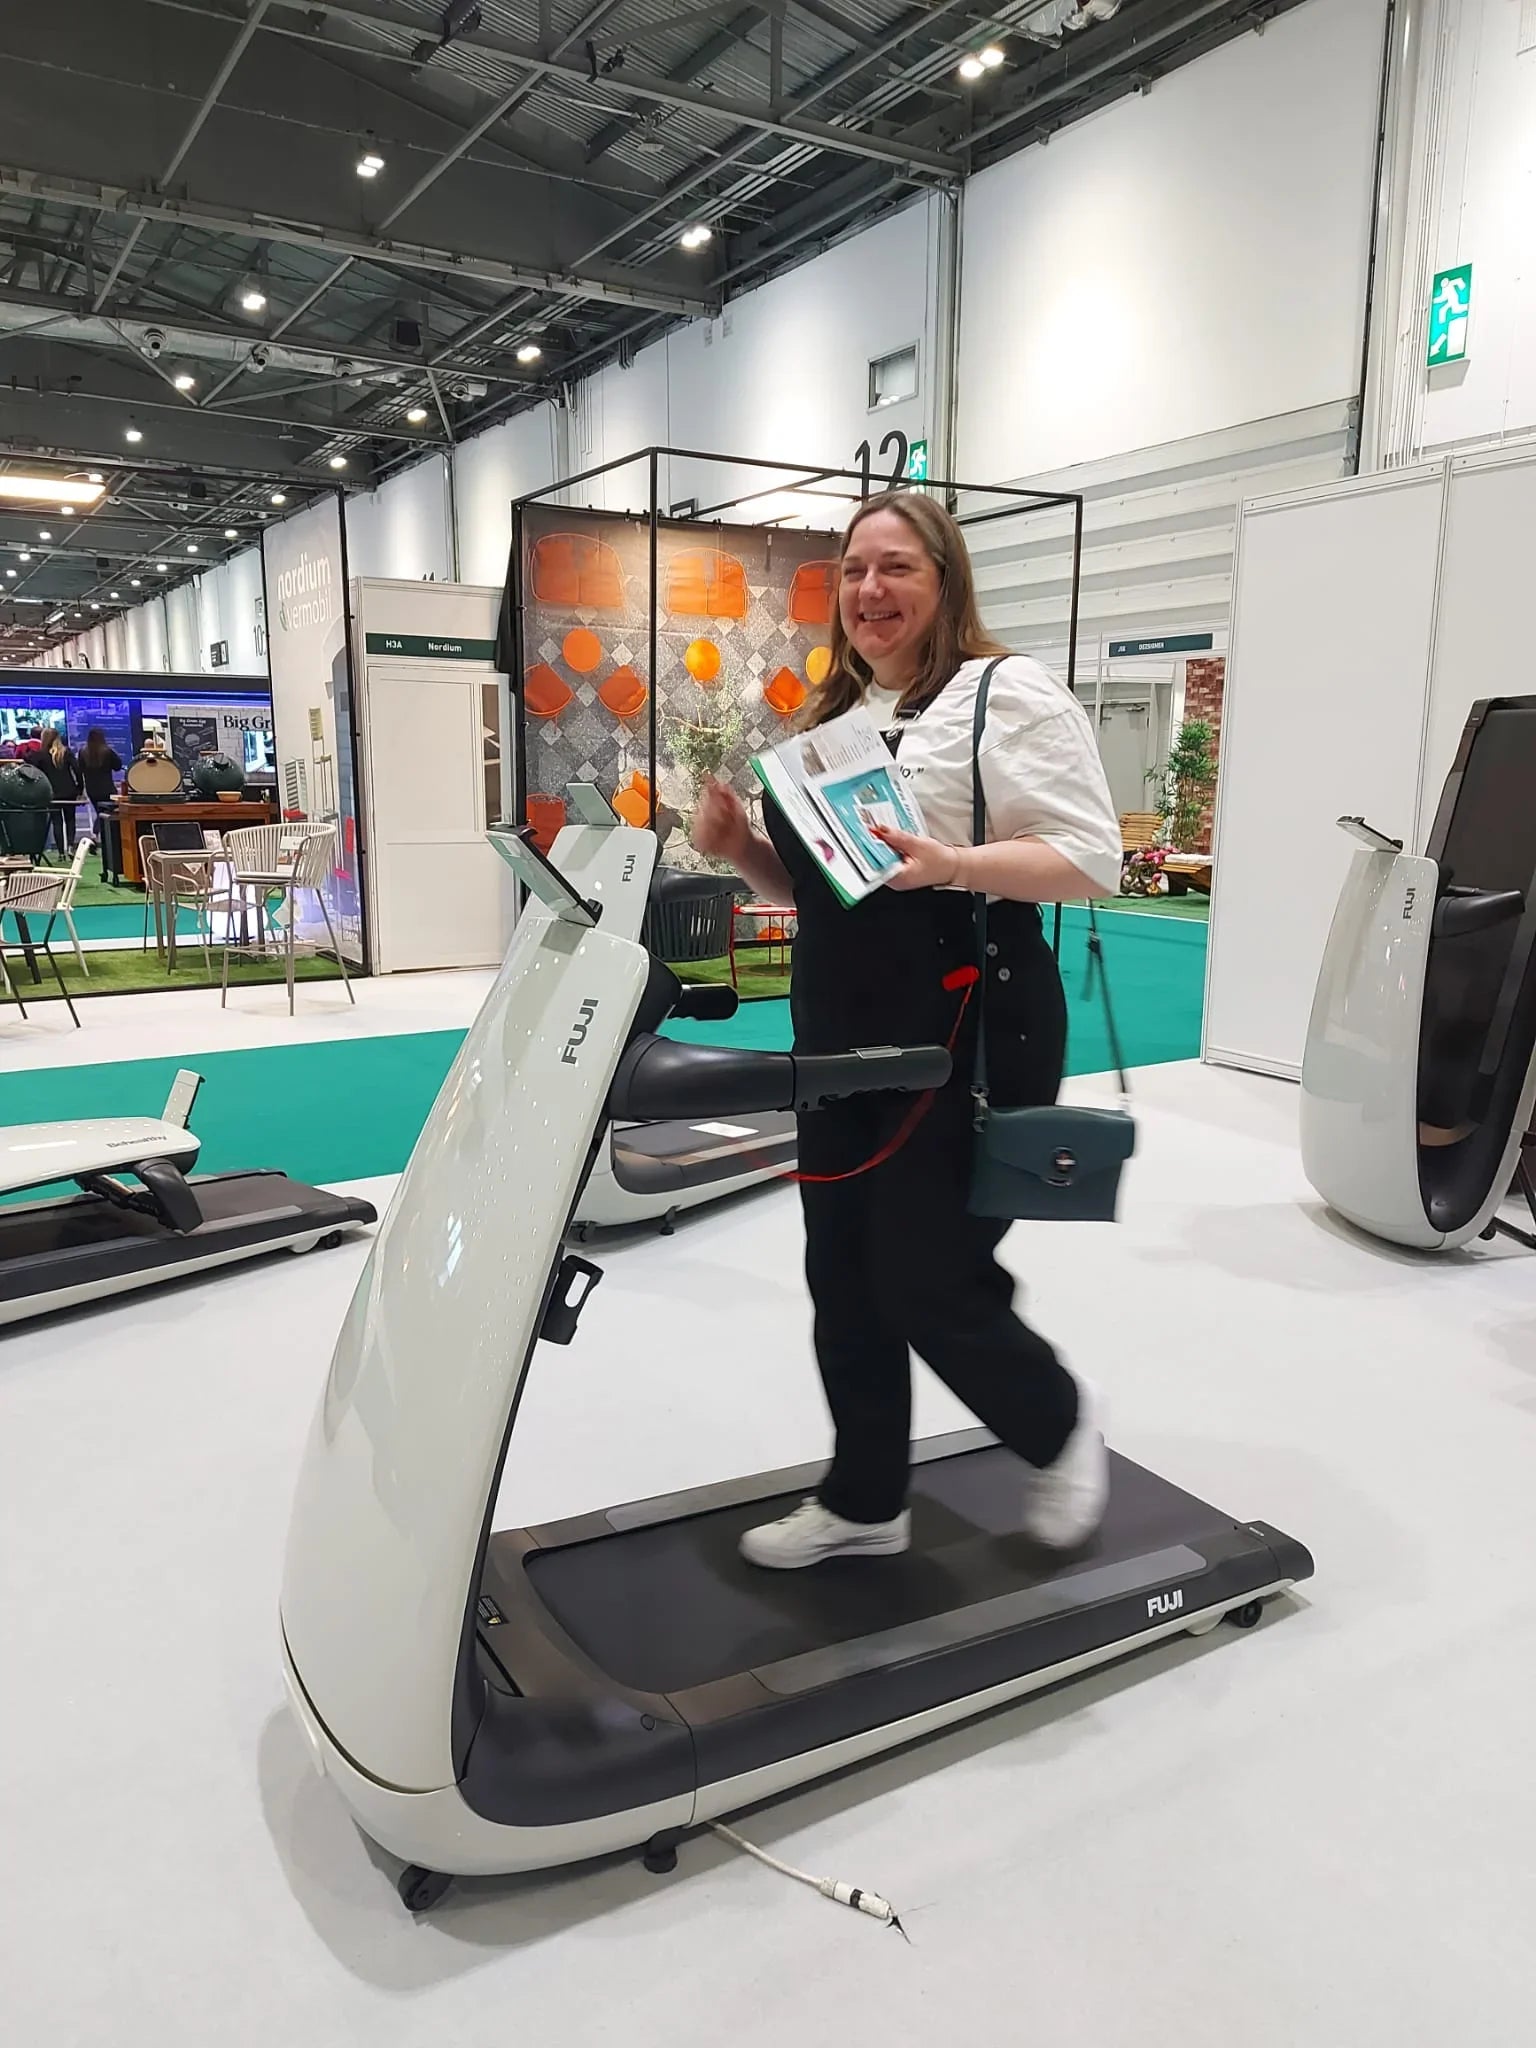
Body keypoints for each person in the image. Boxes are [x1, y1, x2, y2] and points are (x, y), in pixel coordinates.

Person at [692, 491, 1124, 1569]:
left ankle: (1056, 1421)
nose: (870, 590)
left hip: (969, 1020)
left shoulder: (1003, 694)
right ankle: (865, 1499)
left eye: (896, 568)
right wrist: (742, 849)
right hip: (841, 1030)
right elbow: (829, 890)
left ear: (945, 580)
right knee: (842, 1273)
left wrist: (958, 863)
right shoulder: (835, 720)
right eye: (853, 570)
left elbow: (1090, 855)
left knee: (924, 1271)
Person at [35, 726, 83, 859]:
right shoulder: (66, 752)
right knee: (70, 820)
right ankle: (71, 846)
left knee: (57, 822)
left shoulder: (41, 755)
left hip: (51, 792)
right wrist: (80, 788)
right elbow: (77, 770)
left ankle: (61, 852)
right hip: (69, 791)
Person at [79, 727, 124, 827]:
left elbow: (80, 769)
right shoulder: (107, 751)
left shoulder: (82, 752)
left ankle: (98, 830)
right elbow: (118, 766)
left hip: (92, 790)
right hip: (107, 789)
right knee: (108, 813)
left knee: (99, 812)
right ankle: (100, 830)